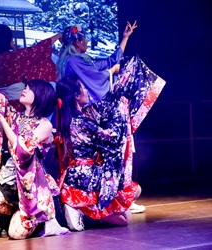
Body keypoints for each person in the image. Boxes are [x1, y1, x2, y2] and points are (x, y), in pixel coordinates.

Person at [0, 43, 70, 239]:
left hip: (33, 187)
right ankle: (16, 212)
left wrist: (2, 120)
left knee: (15, 235)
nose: (24, 90)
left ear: (41, 96)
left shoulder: (44, 125)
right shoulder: (16, 116)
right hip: (12, 181)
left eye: (29, 88)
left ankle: (39, 218)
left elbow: (23, 150)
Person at [55, 54, 166, 230]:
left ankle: (86, 209)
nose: (86, 91)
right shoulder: (81, 121)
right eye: (83, 88)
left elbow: (105, 105)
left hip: (80, 174)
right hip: (86, 178)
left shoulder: (75, 117)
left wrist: (119, 95)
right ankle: (82, 209)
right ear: (76, 96)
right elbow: (112, 139)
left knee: (133, 196)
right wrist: (122, 109)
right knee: (125, 217)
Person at [56, 21, 146, 214]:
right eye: (85, 39)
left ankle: (120, 197)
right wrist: (110, 73)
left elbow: (108, 61)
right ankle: (112, 199)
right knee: (111, 151)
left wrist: (125, 38)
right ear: (78, 42)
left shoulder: (80, 59)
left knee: (115, 152)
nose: (86, 42)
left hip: (92, 112)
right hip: (89, 114)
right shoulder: (73, 61)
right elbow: (99, 76)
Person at [0, 24, 62, 112]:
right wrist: (59, 35)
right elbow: (39, 49)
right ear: (8, 40)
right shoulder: (15, 57)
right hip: (19, 105)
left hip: (2, 106)